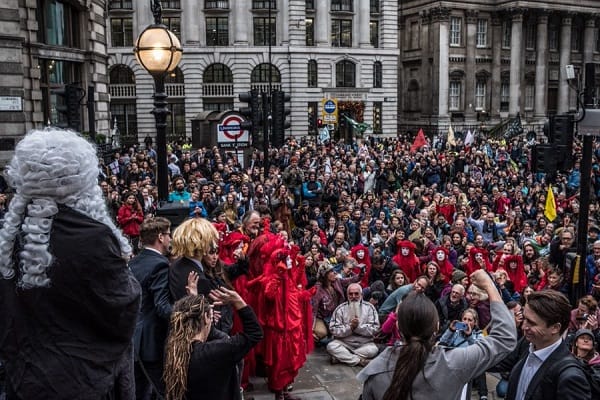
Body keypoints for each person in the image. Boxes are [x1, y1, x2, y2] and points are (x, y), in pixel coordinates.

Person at [0, 129, 141, 399]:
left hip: (25, 379)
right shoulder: (93, 237)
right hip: (84, 380)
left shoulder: (10, 235)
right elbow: (123, 307)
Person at [358, 269, 516, 400]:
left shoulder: (376, 369)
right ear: (436, 327)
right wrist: (489, 285)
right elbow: (504, 338)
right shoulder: (453, 363)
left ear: (399, 327)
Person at [163, 287, 263, 400]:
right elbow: (254, 333)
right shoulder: (215, 352)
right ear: (206, 318)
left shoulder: (173, 350)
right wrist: (238, 301)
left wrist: (197, 307)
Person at [504, 290, 591, 400]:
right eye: (525, 319)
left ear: (555, 328)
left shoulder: (570, 377)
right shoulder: (529, 343)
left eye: (532, 323)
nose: (524, 327)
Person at [129, 217, 172, 399]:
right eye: (169, 235)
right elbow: (162, 307)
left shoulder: (132, 263)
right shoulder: (160, 265)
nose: (170, 239)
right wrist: (188, 312)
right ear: (160, 237)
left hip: (132, 340)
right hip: (151, 342)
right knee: (163, 392)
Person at [327, 283, 380, 367]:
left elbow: (375, 328)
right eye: (350, 294)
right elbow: (334, 329)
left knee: (373, 350)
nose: (353, 296)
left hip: (364, 343)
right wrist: (350, 328)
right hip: (344, 343)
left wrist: (358, 327)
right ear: (347, 295)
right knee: (331, 346)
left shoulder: (369, 308)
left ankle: (342, 357)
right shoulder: (340, 308)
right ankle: (359, 361)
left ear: (361, 295)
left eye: (356, 294)